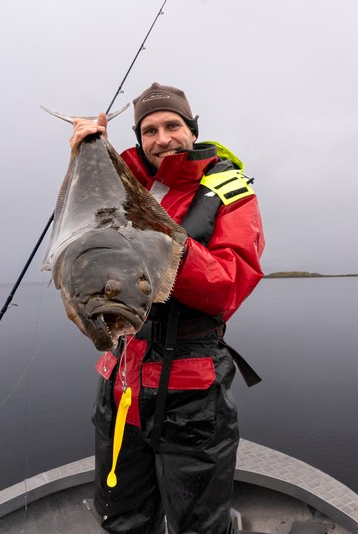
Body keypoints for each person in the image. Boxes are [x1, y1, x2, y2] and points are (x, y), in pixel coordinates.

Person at [70, 83, 265, 534]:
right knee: (122, 518)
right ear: (139, 138)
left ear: (192, 129)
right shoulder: (121, 182)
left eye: (173, 125)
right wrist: (87, 154)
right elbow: (82, 238)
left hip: (191, 393)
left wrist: (158, 235)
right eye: (150, 129)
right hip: (121, 382)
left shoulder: (231, 190)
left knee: (198, 525)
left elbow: (227, 285)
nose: (163, 138)